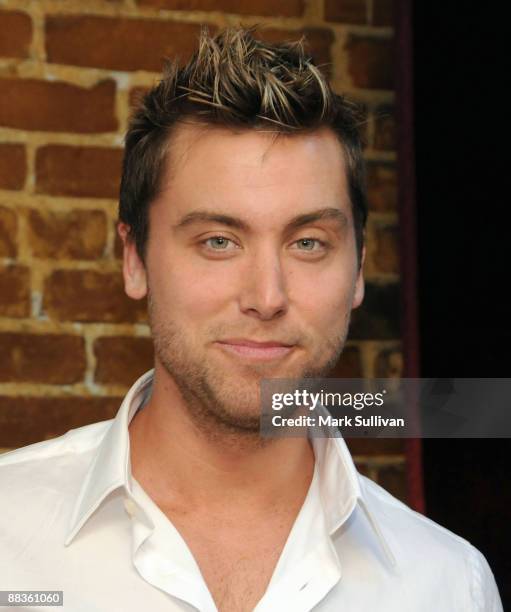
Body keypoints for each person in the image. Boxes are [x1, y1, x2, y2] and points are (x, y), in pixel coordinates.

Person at [0, 26, 503, 612]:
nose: (267, 296)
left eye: (309, 243)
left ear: (360, 268)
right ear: (134, 259)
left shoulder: (448, 586)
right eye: (218, 240)